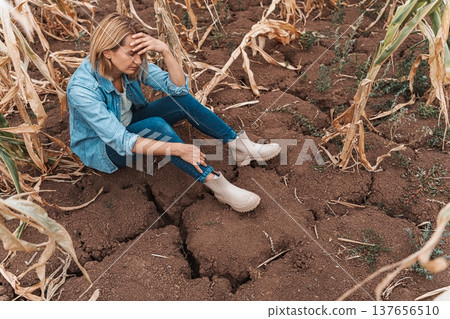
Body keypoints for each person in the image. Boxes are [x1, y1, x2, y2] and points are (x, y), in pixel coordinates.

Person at [67, 13, 281, 213]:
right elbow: (120, 140)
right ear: (107, 52)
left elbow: (178, 89)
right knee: (157, 127)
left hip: (130, 124)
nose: (138, 61)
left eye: (141, 54)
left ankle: (239, 147)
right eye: (131, 54)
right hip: (104, 148)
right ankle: (215, 183)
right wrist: (178, 149)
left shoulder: (129, 65)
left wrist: (165, 51)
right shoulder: (83, 89)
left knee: (181, 102)